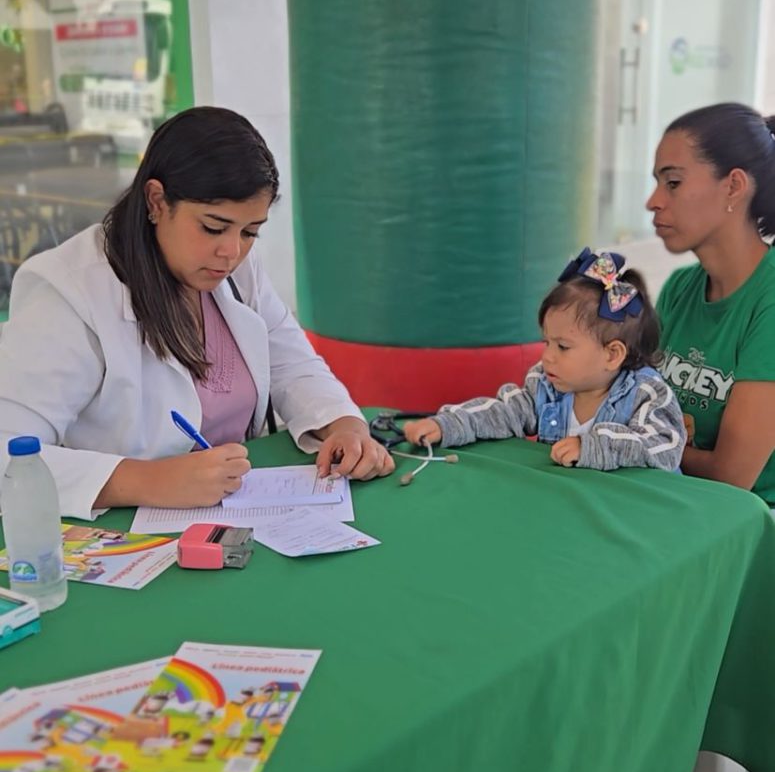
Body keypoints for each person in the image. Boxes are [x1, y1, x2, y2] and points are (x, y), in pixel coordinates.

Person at [0, 107, 393, 519]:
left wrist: (344, 425)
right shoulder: (69, 291)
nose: (231, 251)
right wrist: (145, 480)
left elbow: (293, 365)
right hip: (121, 540)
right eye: (212, 227)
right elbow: (9, 455)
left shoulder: (237, 268)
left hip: (238, 518)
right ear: (156, 201)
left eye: (250, 232)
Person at [403, 248, 685, 471]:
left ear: (612, 354)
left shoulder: (646, 394)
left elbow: (664, 446)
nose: (547, 356)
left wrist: (593, 447)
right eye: (545, 342)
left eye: (562, 347)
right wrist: (447, 425)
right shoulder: (547, 384)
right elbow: (504, 412)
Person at [648, 102, 775, 504]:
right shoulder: (679, 288)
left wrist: (650, 445)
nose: (653, 201)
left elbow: (732, 475)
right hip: (673, 501)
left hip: (748, 529)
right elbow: (629, 407)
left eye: (673, 183)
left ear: (734, 187)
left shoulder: (769, 300)